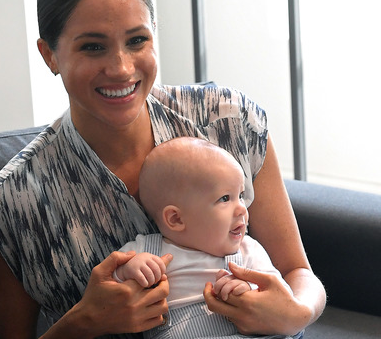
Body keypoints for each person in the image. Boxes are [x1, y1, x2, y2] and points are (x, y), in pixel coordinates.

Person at [0, 0, 325, 338]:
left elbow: (298, 271)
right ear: (49, 55)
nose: (122, 68)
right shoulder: (11, 206)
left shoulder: (228, 121)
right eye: (93, 47)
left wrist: (297, 313)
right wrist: (83, 323)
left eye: (137, 40)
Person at [114, 137, 300, 339]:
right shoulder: (146, 250)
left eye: (241, 195)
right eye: (225, 198)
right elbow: (109, 288)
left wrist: (249, 289)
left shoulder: (249, 250)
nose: (241, 208)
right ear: (176, 218)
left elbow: (278, 294)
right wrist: (128, 270)